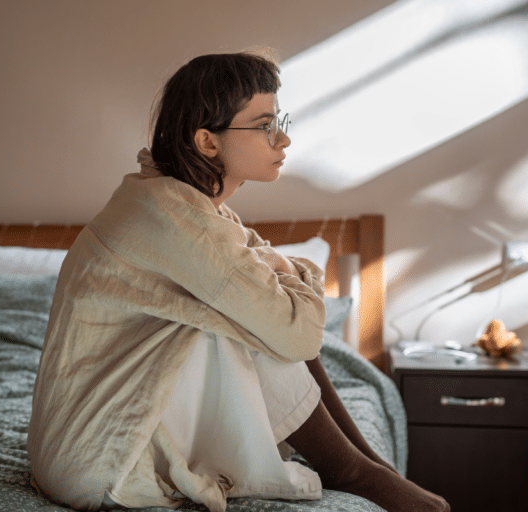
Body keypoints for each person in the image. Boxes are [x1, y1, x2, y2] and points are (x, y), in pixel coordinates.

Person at [27, 51, 449, 512]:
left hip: (81, 449)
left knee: (254, 313)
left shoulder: (184, 205)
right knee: (247, 325)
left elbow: (291, 326)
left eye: (279, 121)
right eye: (265, 125)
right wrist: (288, 272)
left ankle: (364, 465)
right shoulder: (175, 217)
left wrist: (285, 274)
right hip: (98, 461)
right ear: (208, 143)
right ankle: (353, 470)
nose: (283, 139)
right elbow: (301, 333)